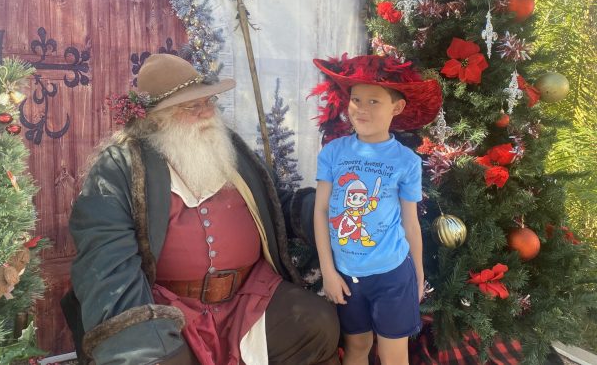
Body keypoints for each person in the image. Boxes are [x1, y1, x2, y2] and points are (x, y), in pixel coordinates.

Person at [63, 53, 340, 365]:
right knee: (157, 359)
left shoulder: (228, 148)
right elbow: (106, 264)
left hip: (247, 301)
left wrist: (330, 212)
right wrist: (136, 340)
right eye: (192, 106)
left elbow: (278, 204)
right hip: (168, 308)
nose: (207, 112)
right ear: (156, 118)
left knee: (314, 324)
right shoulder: (120, 168)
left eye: (208, 101)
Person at [311, 55, 442, 365]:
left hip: (393, 275)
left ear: (396, 108)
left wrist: (419, 273)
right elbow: (320, 212)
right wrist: (328, 272)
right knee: (356, 347)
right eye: (356, 99)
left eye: (373, 101)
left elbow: (411, 222)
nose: (361, 108)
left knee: (393, 356)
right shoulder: (333, 153)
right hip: (346, 275)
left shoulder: (406, 161)